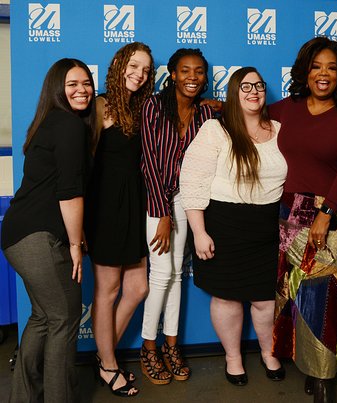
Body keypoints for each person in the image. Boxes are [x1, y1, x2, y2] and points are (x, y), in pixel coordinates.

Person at [270, 37, 337, 402]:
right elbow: (247, 116)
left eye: (331, 67)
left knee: (326, 295)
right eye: (317, 66)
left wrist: (326, 213)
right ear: (305, 71)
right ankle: (312, 365)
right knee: (301, 295)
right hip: (293, 211)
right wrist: (215, 105)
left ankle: (324, 378)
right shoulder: (287, 108)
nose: (324, 74)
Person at [180, 67, 287, 387]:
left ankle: (269, 352)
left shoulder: (281, 130)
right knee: (226, 298)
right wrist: (199, 232)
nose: (253, 91)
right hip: (223, 224)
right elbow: (193, 181)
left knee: (266, 299)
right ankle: (233, 358)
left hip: (268, 227)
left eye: (259, 85)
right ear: (233, 93)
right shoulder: (216, 130)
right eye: (245, 86)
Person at [2, 58, 95, 402]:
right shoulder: (69, 125)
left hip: (17, 235)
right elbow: (69, 191)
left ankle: (23, 397)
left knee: (43, 317)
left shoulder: (49, 122)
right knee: (63, 319)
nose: (82, 90)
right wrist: (75, 245)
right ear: (57, 88)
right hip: (38, 238)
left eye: (86, 83)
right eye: (72, 84)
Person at [140, 48, 215, 385]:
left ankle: (172, 346)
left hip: (188, 200)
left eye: (199, 72)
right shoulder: (154, 106)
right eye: (185, 70)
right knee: (160, 274)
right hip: (157, 201)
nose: (192, 77)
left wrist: (222, 105)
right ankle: (148, 348)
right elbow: (150, 163)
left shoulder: (204, 115)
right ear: (172, 73)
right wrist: (164, 213)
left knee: (175, 275)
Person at [85, 42, 155, 397]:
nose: (139, 74)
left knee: (138, 288)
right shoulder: (98, 105)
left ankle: (102, 357)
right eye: (133, 66)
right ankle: (108, 365)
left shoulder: (141, 106)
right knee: (108, 291)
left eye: (145, 69)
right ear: (118, 64)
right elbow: (84, 164)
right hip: (106, 209)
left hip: (133, 206)